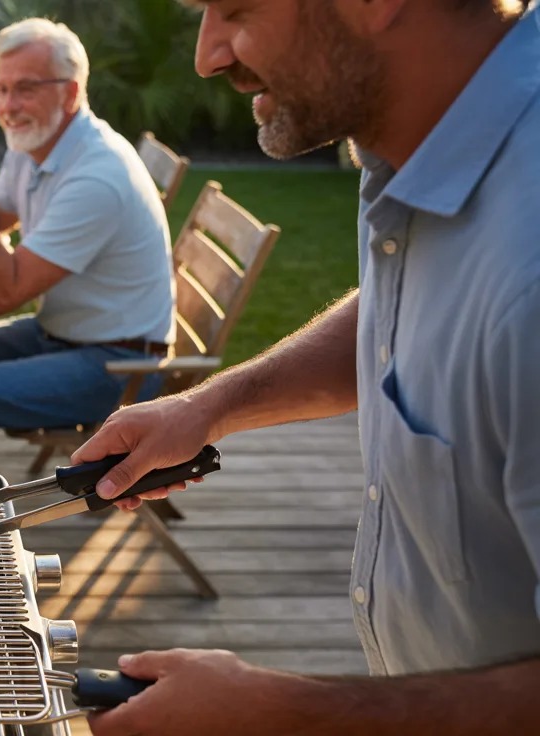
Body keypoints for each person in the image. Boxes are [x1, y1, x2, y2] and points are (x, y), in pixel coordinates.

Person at [74, 1, 540, 734]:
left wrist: (291, 714)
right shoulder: (419, 138)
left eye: (235, 8)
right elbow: (416, 301)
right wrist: (211, 405)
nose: (208, 58)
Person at [0, 18, 175, 470]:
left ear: (70, 92)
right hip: (62, 334)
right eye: (1, 89)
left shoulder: (96, 177)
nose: (8, 106)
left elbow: (3, 293)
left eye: (25, 88)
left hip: (120, 365)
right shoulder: (38, 143)